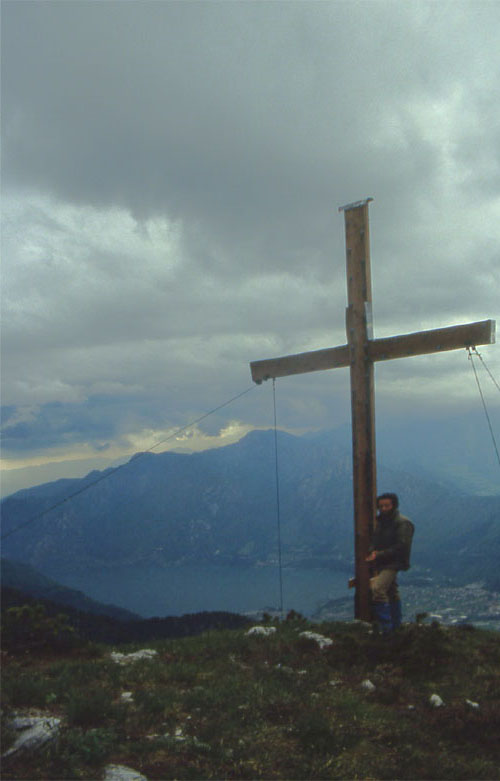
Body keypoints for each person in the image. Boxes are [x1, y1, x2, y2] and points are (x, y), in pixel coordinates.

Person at [365, 493, 414, 633]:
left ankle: (386, 628)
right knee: (391, 591)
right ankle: (396, 627)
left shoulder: (403, 523)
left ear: (394, 505)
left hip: (394, 562)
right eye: (380, 506)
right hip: (384, 561)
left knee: (378, 589)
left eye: (387, 505)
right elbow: (376, 540)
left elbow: (402, 546)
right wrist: (372, 551)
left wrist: (378, 554)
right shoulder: (383, 521)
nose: (384, 508)